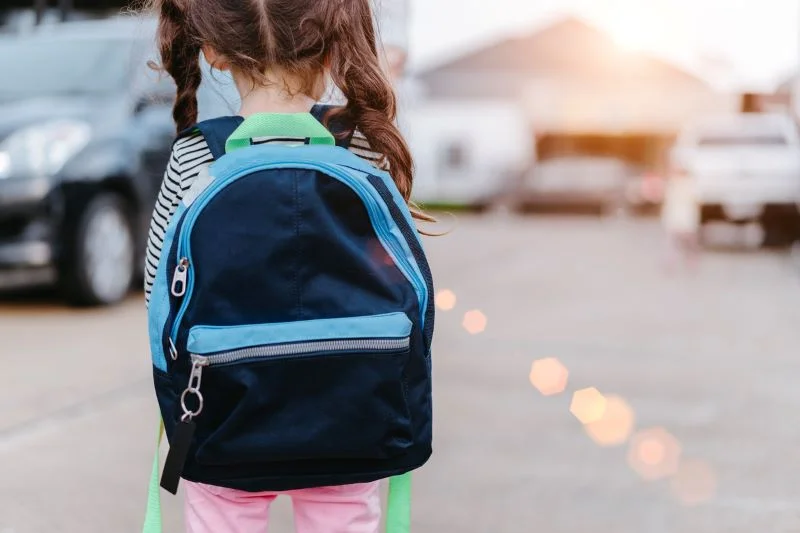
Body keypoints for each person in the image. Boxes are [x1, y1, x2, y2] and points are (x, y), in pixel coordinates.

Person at [142, 0, 429, 531]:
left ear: (214, 52)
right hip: (353, 422)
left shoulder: (194, 158)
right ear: (334, 48)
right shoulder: (363, 146)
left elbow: (158, 303)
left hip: (223, 418)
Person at [661, 172, 700, 272]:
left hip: (680, 219)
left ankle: (674, 263)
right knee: (685, 244)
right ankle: (688, 263)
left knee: (676, 243)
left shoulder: (675, 185)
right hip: (683, 219)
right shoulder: (687, 185)